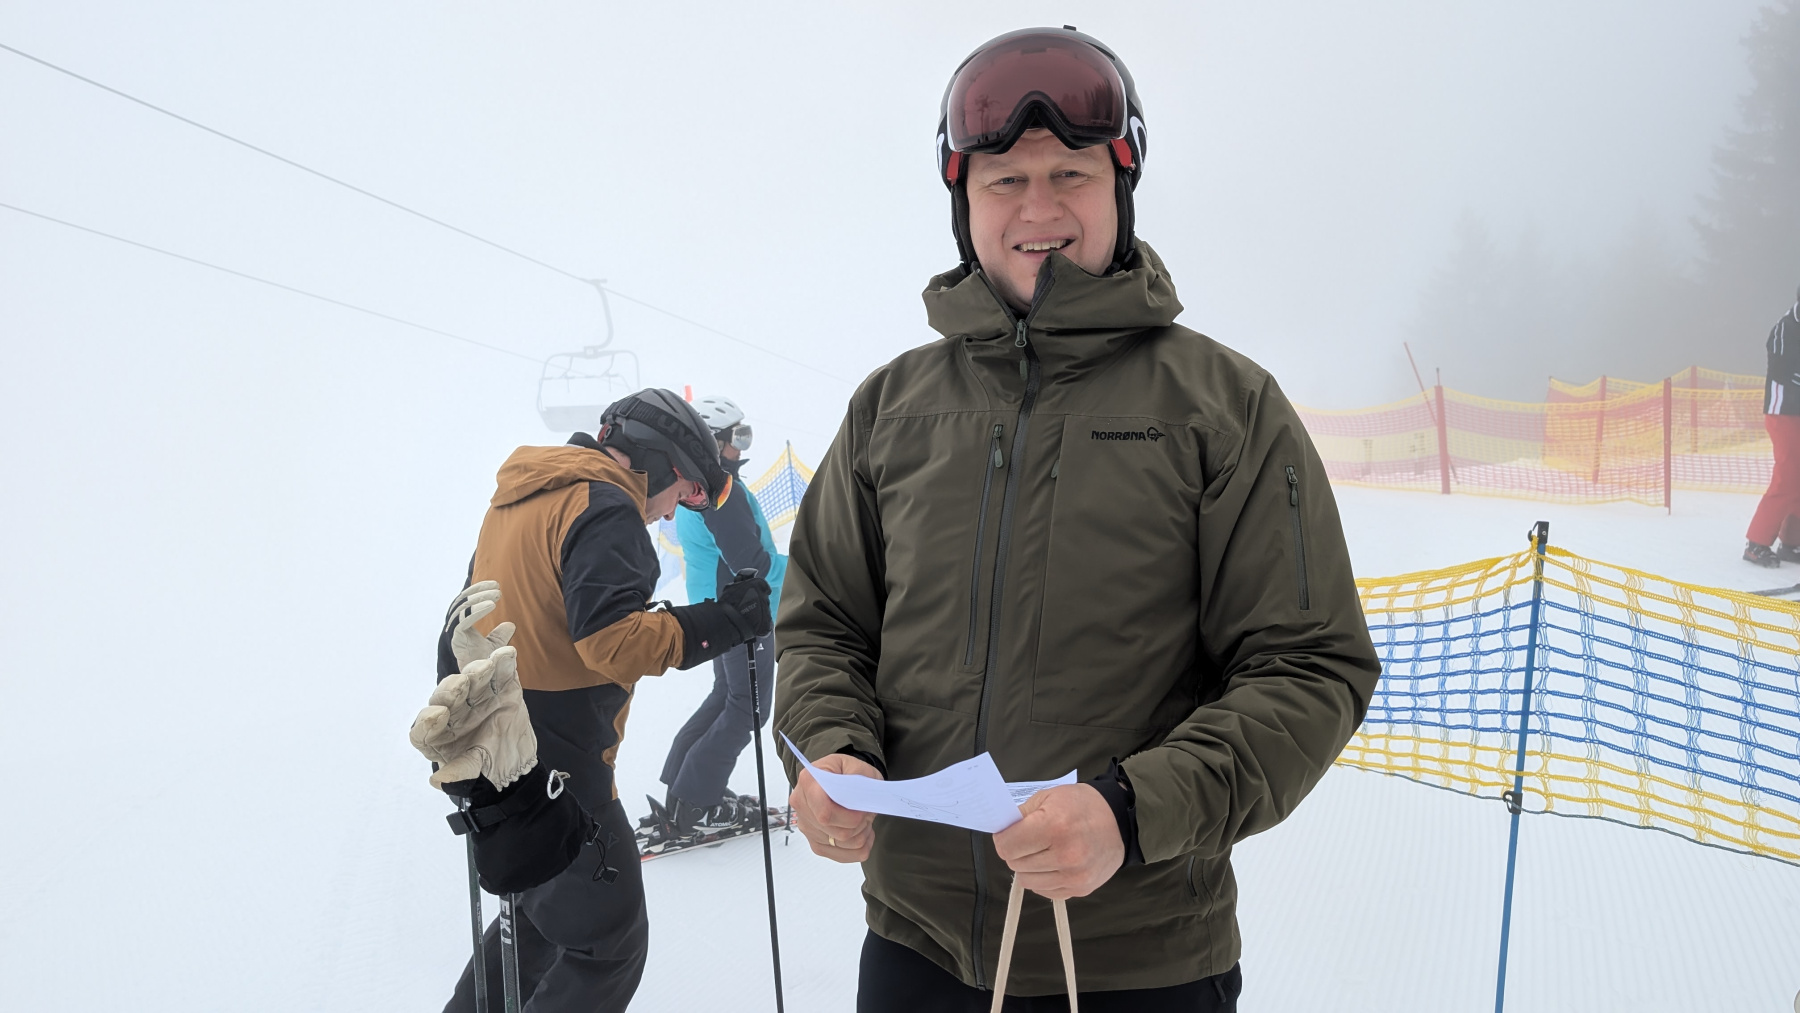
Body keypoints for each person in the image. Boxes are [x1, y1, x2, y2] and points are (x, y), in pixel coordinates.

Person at [772, 27, 1381, 1011]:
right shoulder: (891, 408)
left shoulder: (1224, 407)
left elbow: (1309, 667)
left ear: (1121, 184)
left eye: (1071, 174)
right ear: (965, 200)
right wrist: (833, 745)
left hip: (1139, 962)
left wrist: (1128, 813)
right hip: (915, 945)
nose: (1039, 208)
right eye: (1005, 180)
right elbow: (825, 626)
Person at [430, 387, 773, 1013]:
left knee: (536, 923)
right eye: (682, 493)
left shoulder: (523, 495)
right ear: (661, 463)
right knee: (607, 947)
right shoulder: (607, 504)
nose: (668, 515)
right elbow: (612, 643)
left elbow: (468, 616)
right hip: (564, 768)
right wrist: (725, 621)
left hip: (502, 748)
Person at [646, 394, 790, 844]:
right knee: (748, 707)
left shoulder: (701, 489)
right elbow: (753, 564)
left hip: (719, 611)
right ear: (713, 441)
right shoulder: (718, 494)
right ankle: (698, 801)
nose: (742, 445)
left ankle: (684, 787)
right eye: (737, 436)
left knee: (728, 697)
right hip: (741, 614)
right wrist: (808, 569)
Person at [1744, 287, 1800, 567]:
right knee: (1788, 476)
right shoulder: (1785, 327)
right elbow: (1781, 370)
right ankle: (1756, 543)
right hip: (1783, 411)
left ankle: (1792, 542)